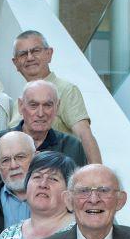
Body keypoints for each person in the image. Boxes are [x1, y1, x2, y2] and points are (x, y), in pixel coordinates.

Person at [0, 80, 87, 195]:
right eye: (33, 105)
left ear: (57, 107)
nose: (41, 113)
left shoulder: (73, 147)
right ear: (21, 106)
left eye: (47, 105)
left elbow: (80, 194)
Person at [11, 29, 103, 165]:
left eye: (36, 51)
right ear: (16, 63)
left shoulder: (66, 90)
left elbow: (84, 136)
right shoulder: (19, 101)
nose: (30, 57)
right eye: (23, 54)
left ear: (49, 54)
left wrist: (97, 178)